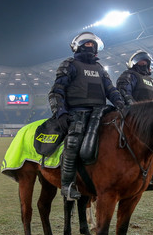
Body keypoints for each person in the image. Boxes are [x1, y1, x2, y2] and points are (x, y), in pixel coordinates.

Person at [49, 32, 125, 201]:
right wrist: (60, 113)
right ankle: (67, 185)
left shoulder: (100, 69)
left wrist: (121, 104)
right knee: (74, 140)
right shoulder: (69, 64)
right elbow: (57, 91)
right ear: (77, 47)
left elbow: (111, 90)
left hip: (101, 111)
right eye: (86, 44)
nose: (90, 47)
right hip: (77, 112)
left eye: (93, 45)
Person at [116, 50, 153, 184]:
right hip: (135, 117)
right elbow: (124, 92)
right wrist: (135, 109)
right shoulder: (129, 75)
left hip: (152, 119)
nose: (143, 64)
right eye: (140, 61)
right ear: (133, 63)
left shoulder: (151, 81)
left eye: (146, 62)